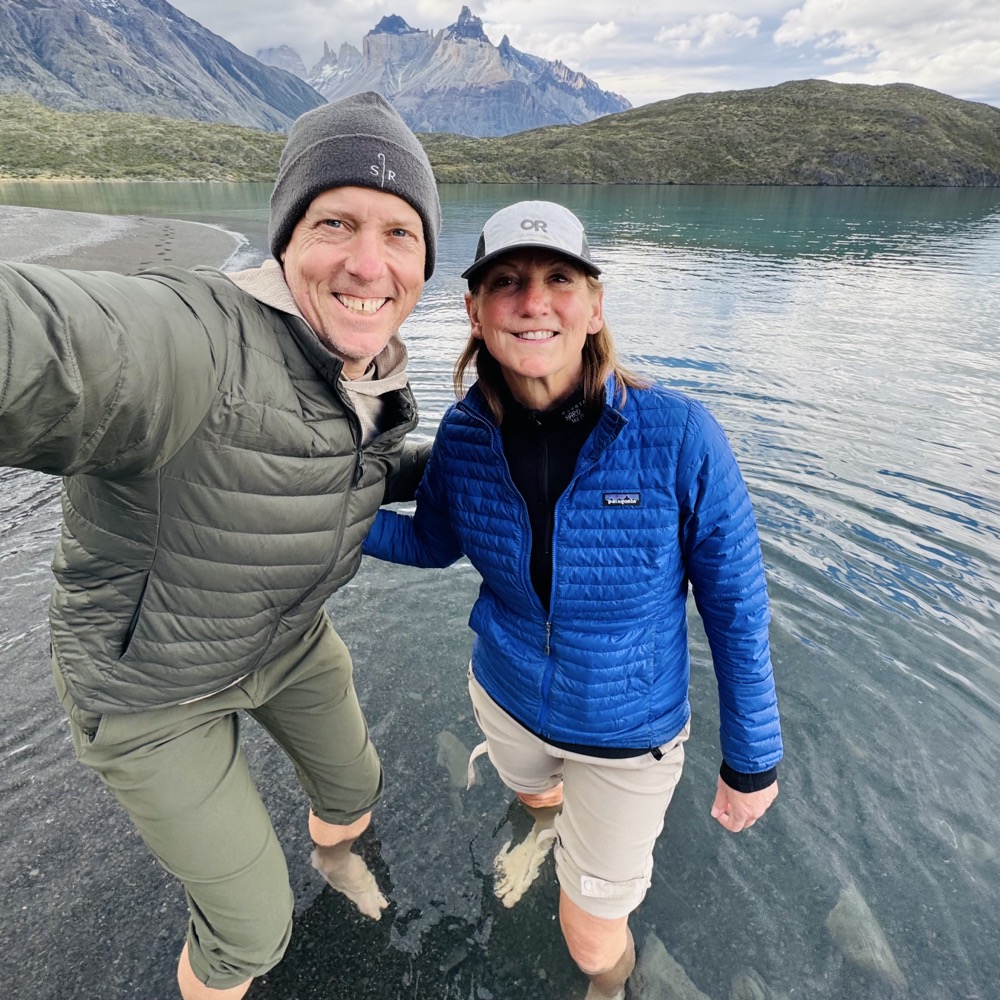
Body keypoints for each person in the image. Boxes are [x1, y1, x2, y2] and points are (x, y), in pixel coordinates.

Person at [0, 92, 440, 998]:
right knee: (250, 932)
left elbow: (351, 465)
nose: (368, 261)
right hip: (153, 689)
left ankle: (338, 860)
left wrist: (506, 465)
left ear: (425, 260)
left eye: (400, 233)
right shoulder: (198, 341)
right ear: (285, 240)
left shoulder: (370, 379)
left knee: (355, 787)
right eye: (336, 222)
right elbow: (55, 344)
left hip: (286, 640)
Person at [362, 200, 783, 999]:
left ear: (594, 306)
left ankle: (610, 987)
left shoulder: (679, 436)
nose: (534, 300)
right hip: (507, 694)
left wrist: (752, 759)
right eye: (508, 281)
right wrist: (328, 527)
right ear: (476, 312)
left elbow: (735, 604)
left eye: (560, 278)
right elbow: (434, 541)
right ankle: (550, 815)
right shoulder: (464, 433)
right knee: (534, 792)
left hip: (629, 733)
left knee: (591, 940)